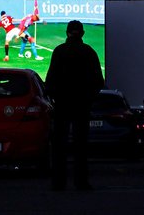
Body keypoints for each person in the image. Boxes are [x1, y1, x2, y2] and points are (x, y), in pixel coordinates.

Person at [45, 20, 105, 191]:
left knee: (59, 145)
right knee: (81, 145)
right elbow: (98, 81)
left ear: (67, 32)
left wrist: (55, 97)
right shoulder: (88, 52)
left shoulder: (59, 51)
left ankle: (58, 182)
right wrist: (89, 98)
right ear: (83, 33)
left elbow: (50, 79)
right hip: (81, 104)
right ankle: (81, 182)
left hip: (63, 104)